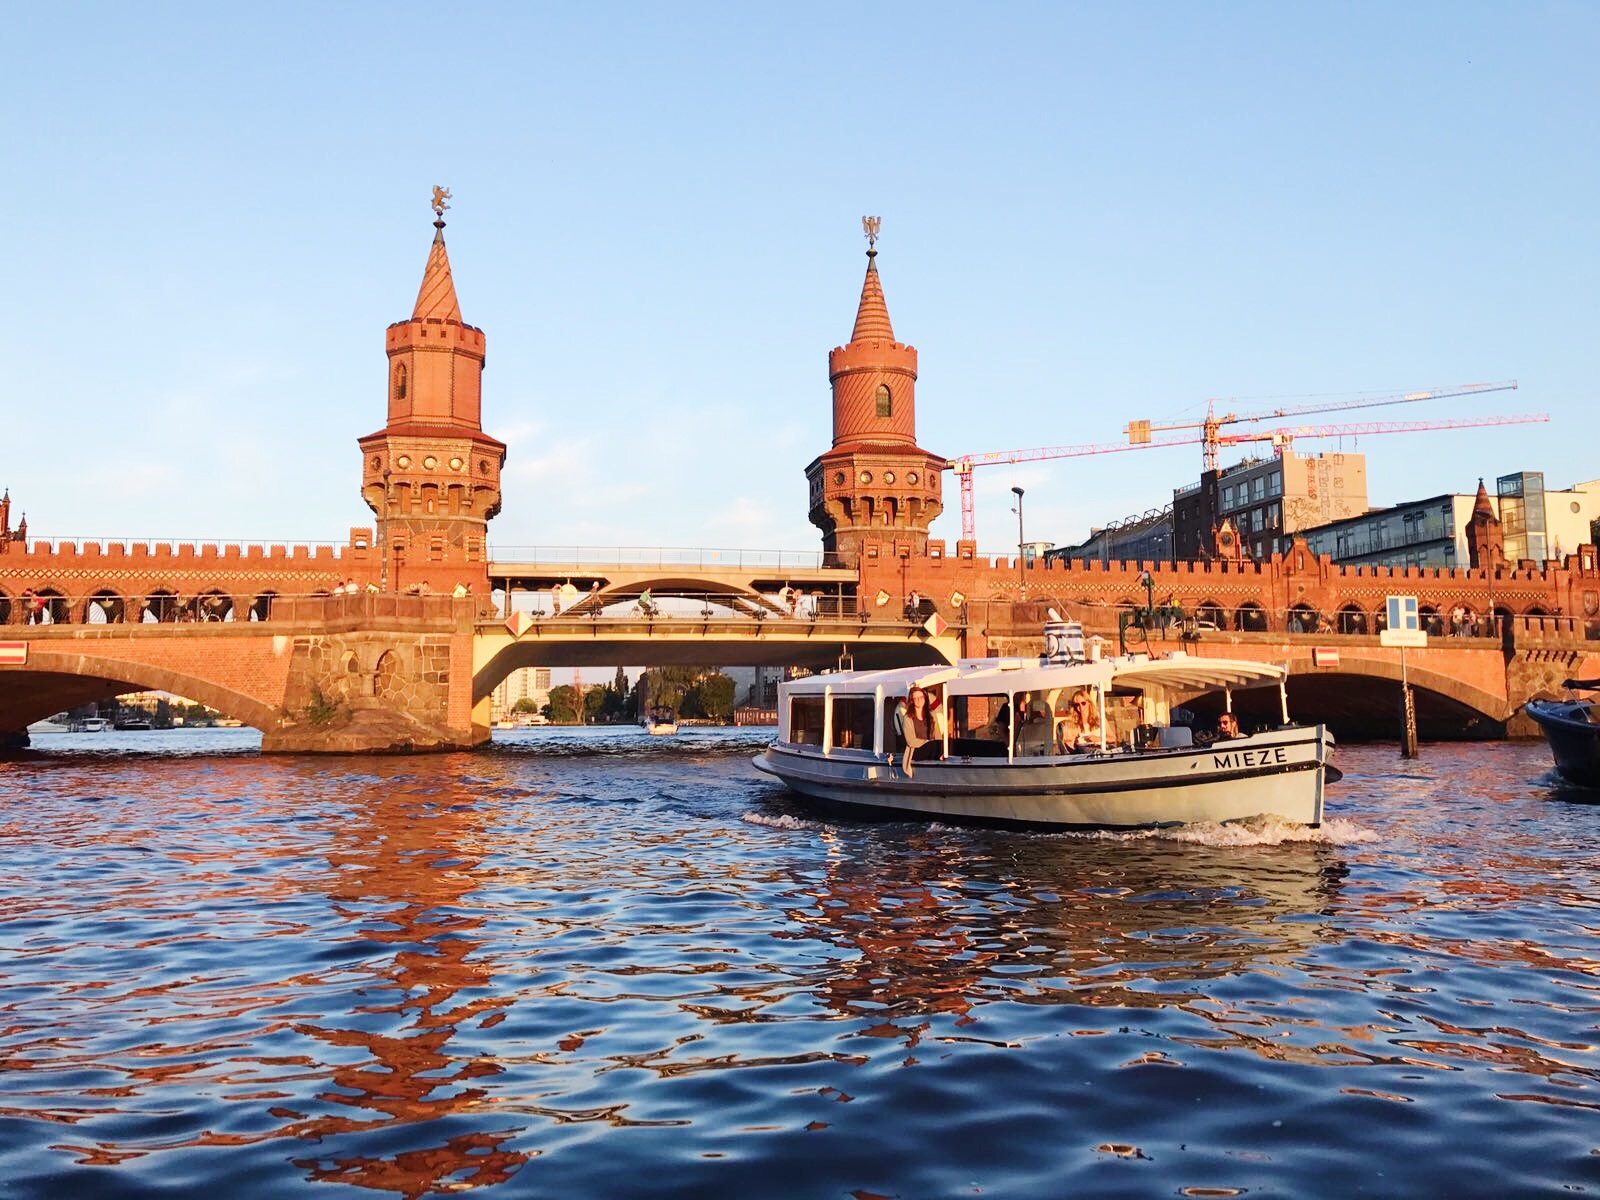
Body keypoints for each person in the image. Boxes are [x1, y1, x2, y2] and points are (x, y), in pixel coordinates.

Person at [895, 685, 943, 776]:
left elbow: (937, 735)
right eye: (916, 698)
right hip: (915, 751)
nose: (919, 700)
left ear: (924, 698)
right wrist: (928, 742)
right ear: (912, 700)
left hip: (931, 748)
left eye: (921, 697)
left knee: (938, 743)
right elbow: (911, 741)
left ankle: (938, 769)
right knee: (932, 744)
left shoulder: (931, 715)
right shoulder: (908, 718)